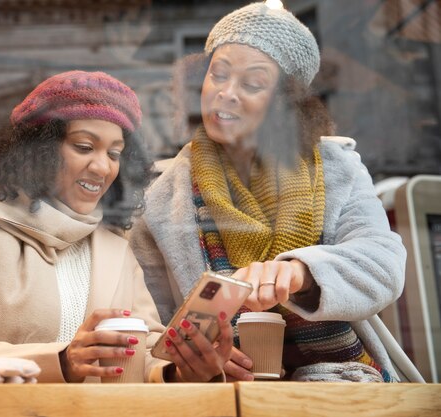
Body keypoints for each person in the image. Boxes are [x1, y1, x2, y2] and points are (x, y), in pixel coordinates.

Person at [129, 2, 407, 383]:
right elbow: (153, 328)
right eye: (218, 74)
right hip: (225, 391)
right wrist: (186, 365)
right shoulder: (161, 197)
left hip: (346, 381)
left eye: (252, 84)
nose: (225, 93)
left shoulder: (337, 167)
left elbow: (384, 265)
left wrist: (300, 273)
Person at [0, 70, 194, 384]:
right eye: (84, 147)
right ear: (38, 149)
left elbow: (145, 354)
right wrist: (58, 361)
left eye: (114, 154)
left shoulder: (116, 250)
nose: (102, 167)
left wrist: (181, 369)